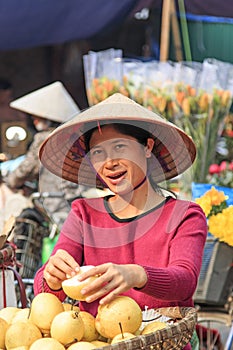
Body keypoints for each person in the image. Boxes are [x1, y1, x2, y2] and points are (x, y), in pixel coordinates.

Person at [34, 93, 207, 349]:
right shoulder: (83, 213)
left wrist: (136, 274)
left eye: (119, 147)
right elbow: (46, 291)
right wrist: (52, 277)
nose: (109, 162)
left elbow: (184, 281)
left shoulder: (185, 215)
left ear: (147, 147)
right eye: (98, 152)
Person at [4, 81, 85, 227]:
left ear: (48, 119)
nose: (34, 121)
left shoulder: (44, 138)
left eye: (38, 118)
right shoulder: (76, 136)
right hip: (77, 200)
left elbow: (27, 168)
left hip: (56, 201)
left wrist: (11, 181)